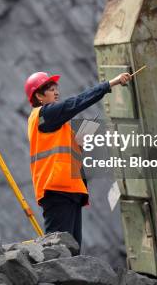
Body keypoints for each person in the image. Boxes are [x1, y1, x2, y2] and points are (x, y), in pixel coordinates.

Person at [25, 71, 131, 250]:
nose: (56, 92)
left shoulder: (55, 122)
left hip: (69, 190)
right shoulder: (44, 115)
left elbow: (65, 152)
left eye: (56, 88)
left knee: (72, 250)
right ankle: (54, 278)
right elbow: (76, 103)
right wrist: (109, 84)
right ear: (38, 96)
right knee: (57, 250)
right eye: (50, 89)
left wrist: (79, 142)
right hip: (57, 190)